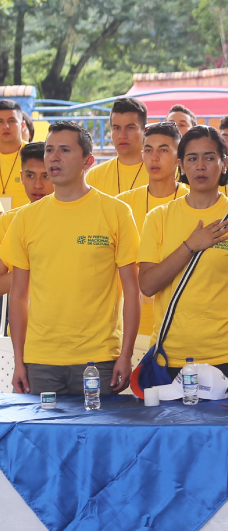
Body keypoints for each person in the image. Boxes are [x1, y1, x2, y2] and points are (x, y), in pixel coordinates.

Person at [4, 122, 140, 395]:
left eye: (65, 150)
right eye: (50, 150)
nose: (54, 157)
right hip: (40, 360)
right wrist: (19, 361)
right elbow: (17, 296)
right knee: (42, 439)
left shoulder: (116, 212)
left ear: (87, 161)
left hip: (97, 359)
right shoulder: (26, 218)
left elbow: (132, 291)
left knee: (98, 437)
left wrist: (125, 356)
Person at [137, 125, 228, 396]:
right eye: (192, 158)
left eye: (209, 158)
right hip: (168, 357)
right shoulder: (159, 217)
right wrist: (190, 246)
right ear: (181, 166)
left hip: (226, 356)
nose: (200, 166)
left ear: (224, 164)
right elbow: (148, 285)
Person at [118, 123, 189, 337]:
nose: (154, 157)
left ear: (179, 158)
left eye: (163, 150)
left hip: (180, 321)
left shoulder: (194, 201)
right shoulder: (122, 206)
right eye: (148, 150)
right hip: (131, 322)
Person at [0, 142, 54, 300]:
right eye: (30, 176)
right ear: (22, 177)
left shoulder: (77, 218)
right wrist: (39, 271)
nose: (38, 185)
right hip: (21, 320)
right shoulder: (8, 220)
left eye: (46, 176)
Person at [87, 97, 149, 197]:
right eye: (116, 128)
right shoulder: (95, 176)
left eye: (130, 128)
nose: (122, 135)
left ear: (145, 131)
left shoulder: (163, 173)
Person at [0, 101, 30, 210]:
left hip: (28, 224)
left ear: (22, 125)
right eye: (0, 121)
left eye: (11, 121)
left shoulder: (36, 156)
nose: (6, 126)